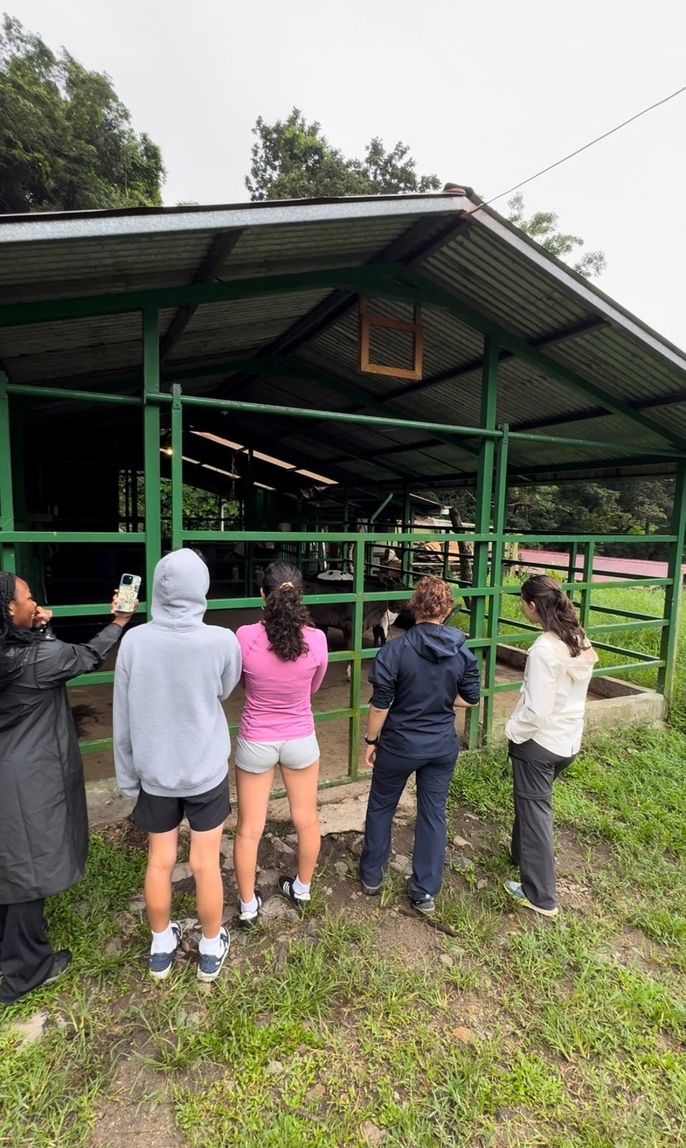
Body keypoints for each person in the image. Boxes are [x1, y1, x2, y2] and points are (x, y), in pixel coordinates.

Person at [0, 571, 135, 1007]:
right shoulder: (34, 660)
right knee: (27, 871)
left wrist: (39, 628)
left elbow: (46, 660)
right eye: (27, 598)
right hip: (25, 774)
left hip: (9, 764)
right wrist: (119, 620)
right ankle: (26, 971)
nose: (34, 601)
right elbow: (83, 657)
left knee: (10, 861)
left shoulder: (13, 653)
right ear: (9, 610)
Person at [113, 549, 242, 982]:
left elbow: (123, 716)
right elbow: (225, 688)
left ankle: (161, 946)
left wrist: (129, 778)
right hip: (205, 769)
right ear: (201, 587)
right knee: (206, 863)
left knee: (160, 860)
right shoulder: (222, 641)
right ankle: (209, 948)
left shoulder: (134, 641)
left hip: (156, 772)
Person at [360, 576, 481, 915]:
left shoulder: (394, 649)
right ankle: (425, 890)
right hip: (441, 746)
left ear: (413, 607)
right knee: (433, 813)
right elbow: (471, 699)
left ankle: (372, 876)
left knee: (382, 805)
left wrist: (371, 740)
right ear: (448, 610)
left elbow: (381, 703)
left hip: (399, 745)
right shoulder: (462, 651)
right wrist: (440, 698)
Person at [234, 562, 328, 925]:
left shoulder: (244, 636)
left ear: (262, 595)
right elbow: (314, 687)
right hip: (301, 738)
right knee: (306, 819)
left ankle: (247, 906)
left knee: (248, 828)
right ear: (299, 593)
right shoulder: (317, 640)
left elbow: (241, 681)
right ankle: (301, 889)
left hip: (256, 739)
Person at [504, 575, 598, 918]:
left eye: (521, 601)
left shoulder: (544, 649)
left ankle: (541, 896)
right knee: (530, 804)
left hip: (539, 744)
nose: (521, 606)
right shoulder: (578, 637)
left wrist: (512, 729)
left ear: (532, 607)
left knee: (535, 812)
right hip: (568, 739)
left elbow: (537, 710)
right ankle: (519, 855)